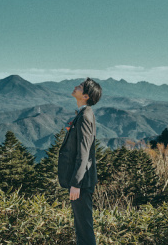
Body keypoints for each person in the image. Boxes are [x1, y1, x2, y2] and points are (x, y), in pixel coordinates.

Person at [57, 78, 102, 245]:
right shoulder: (84, 114)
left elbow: (84, 153)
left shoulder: (84, 116)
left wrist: (76, 183)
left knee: (84, 228)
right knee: (81, 225)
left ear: (85, 96)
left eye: (80, 86)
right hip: (81, 181)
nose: (76, 86)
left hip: (81, 183)